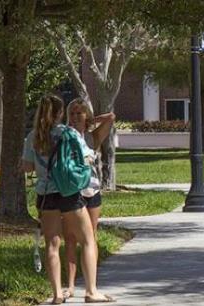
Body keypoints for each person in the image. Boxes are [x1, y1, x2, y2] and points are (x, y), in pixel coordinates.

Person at [22, 95, 114, 304]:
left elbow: (27, 167)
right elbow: (88, 156)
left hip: (46, 196)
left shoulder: (33, 137)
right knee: (88, 240)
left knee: (52, 245)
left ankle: (56, 295)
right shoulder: (68, 133)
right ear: (60, 113)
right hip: (69, 194)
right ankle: (91, 292)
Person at [63, 98, 115, 299]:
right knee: (70, 238)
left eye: (79, 113)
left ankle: (90, 286)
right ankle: (70, 286)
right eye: (72, 113)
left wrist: (95, 118)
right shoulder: (64, 136)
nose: (75, 117)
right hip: (72, 192)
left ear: (86, 117)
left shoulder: (92, 138)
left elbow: (111, 118)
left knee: (90, 238)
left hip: (92, 191)